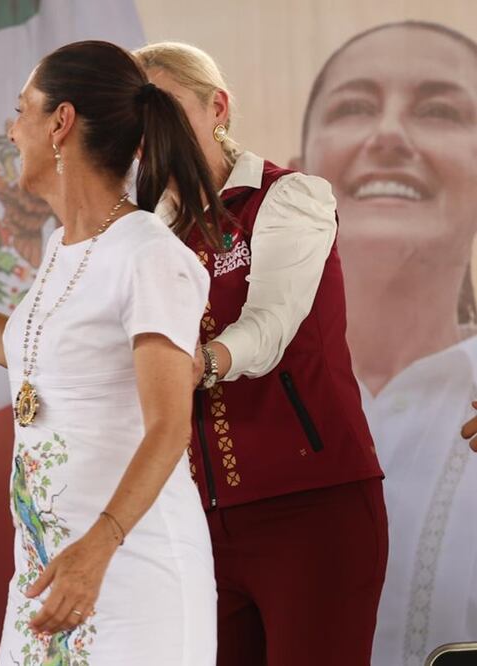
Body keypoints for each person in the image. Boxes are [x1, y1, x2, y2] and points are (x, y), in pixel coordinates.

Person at [0, 40, 221, 664]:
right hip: (51, 570)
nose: (10, 130)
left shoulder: (148, 254)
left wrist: (99, 546)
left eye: (20, 110)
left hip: (130, 572)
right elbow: (29, 355)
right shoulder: (61, 247)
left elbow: (169, 429)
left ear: (60, 123)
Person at [136, 41, 387, 666]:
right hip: (196, 522)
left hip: (310, 508)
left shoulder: (288, 196)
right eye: (132, 114)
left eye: (161, 106)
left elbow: (271, 323)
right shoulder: (147, 235)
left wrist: (202, 362)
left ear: (217, 106)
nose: (147, 129)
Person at [294, 22, 477, 665]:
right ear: (295, 178)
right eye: (354, 107)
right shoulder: (207, 397)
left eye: (438, 110)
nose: (390, 135)